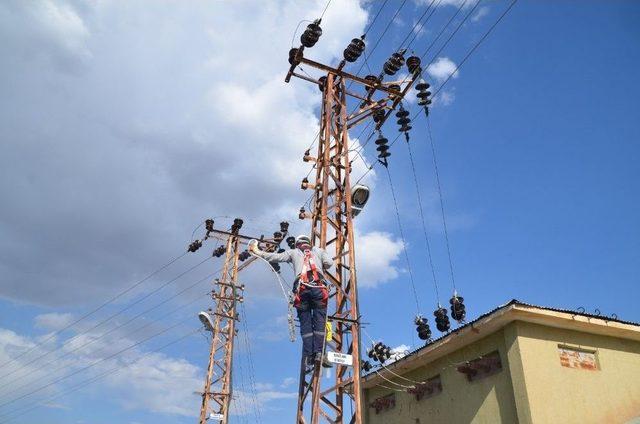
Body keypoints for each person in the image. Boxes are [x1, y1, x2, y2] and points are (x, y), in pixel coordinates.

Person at [249, 234, 333, 368]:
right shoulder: (319, 251)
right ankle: (319, 354)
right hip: (319, 290)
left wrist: (257, 251)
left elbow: (274, 257)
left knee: (306, 324)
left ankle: (310, 357)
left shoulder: (293, 252)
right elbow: (329, 264)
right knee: (320, 323)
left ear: (298, 244)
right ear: (309, 243)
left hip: (302, 290)